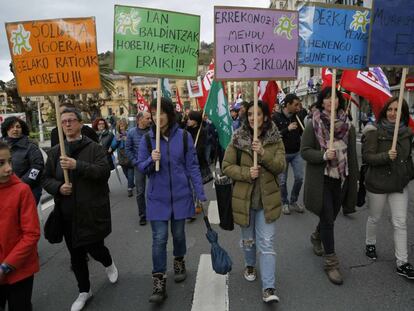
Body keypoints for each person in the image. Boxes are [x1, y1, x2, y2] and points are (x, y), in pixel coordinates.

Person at [42, 108, 118, 311]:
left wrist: (78, 165)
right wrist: (58, 187)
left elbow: (103, 172)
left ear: (80, 123)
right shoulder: (56, 151)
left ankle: (108, 262)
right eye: (63, 121)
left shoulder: (94, 148)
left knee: (96, 248)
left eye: (71, 120)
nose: (67, 124)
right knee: (75, 255)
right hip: (67, 213)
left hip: (90, 211)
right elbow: (46, 178)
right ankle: (84, 291)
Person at [138, 98, 206, 303]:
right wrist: (152, 159)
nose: (156, 118)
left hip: (181, 195)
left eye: (160, 113)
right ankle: (159, 280)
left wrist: (200, 193)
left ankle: (179, 260)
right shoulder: (148, 140)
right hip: (157, 198)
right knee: (159, 239)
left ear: (169, 113)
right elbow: (141, 167)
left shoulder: (184, 137)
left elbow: (192, 167)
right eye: (153, 114)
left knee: (178, 234)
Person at [223, 100, 286, 303]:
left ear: (265, 116)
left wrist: (263, 153)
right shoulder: (238, 138)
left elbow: (280, 166)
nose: (253, 117)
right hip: (244, 200)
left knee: (267, 243)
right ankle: (250, 263)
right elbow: (226, 166)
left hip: (267, 201)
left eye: (258, 113)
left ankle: (268, 287)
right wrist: (246, 172)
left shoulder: (275, 139)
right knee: (248, 240)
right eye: (250, 113)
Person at [300, 87, 358, 285]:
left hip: (340, 178)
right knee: (328, 218)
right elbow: (305, 151)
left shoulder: (348, 126)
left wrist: (354, 180)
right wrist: (323, 155)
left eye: (334, 97)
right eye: (327, 97)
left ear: (340, 101)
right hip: (321, 178)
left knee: (331, 215)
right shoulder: (312, 124)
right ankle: (331, 263)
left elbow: (352, 156)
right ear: (321, 101)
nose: (331, 101)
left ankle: (317, 236)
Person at [362, 97, 414, 279]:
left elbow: (408, 159)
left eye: (397, 110)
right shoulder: (374, 131)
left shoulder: (407, 133)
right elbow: (367, 157)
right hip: (377, 183)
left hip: (399, 184)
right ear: (384, 111)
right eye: (390, 109)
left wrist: (408, 174)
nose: (393, 113)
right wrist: (386, 156)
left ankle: (402, 262)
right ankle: (370, 243)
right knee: (375, 217)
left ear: (403, 114)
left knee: (400, 222)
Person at [0, 141, 40, 311]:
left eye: (10, 161)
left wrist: (6, 265)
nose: (9, 168)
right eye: (1, 163)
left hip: (19, 269)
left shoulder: (21, 191)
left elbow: (31, 234)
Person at [273, 94, 305, 214]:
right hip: (283, 153)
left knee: (299, 178)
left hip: (296, 153)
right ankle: (284, 202)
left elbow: (303, 132)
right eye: (295, 105)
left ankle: (293, 201)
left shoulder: (298, 116)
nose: (298, 107)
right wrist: (287, 129)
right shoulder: (276, 117)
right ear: (287, 105)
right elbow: (274, 135)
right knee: (282, 181)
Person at [1, 116, 44, 204]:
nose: (15, 129)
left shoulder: (31, 146)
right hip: (5, 188)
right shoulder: (2, 146)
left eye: (18, 127)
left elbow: (37, 167)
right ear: (6, 129)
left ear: (22, 129)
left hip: (29, 190)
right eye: (11, 127)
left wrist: (21, 183)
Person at [126, 111, 152, 225]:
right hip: (139, 166)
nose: (150, 120)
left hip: (152, 164)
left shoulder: (153, 131)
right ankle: (143, 215)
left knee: (155, 189)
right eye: (147, 118)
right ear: (140, 119)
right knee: (140, 191)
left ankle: (156, 211)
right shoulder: (131, 133)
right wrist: (135, 162)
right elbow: (128, 149)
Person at [111, 118, 134, 197]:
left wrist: (127, 139)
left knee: (130, 173)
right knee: (126, 173)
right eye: (120, 126)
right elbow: (113, 146)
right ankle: (131, 183)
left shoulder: (130, 133)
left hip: (129, 155)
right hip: (121, 156)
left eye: (123, 126)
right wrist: (117, 140)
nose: (122, 127)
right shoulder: (117, 135)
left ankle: (129, 188)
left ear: (126, 126)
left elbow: (133, 143)